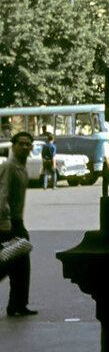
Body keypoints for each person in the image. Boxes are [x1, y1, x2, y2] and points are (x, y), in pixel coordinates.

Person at [0, 131, 37, 317]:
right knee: (11, 261)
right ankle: (17, 304)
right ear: (13, 146)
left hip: (17, 221)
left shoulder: (22, 167)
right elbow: (2, 194)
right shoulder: (9, 166)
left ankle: (18, 304)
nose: (24, 147)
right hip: (8, 222)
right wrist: (5, 222)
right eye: (21, 144)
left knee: (20, 264)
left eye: (28, 144)